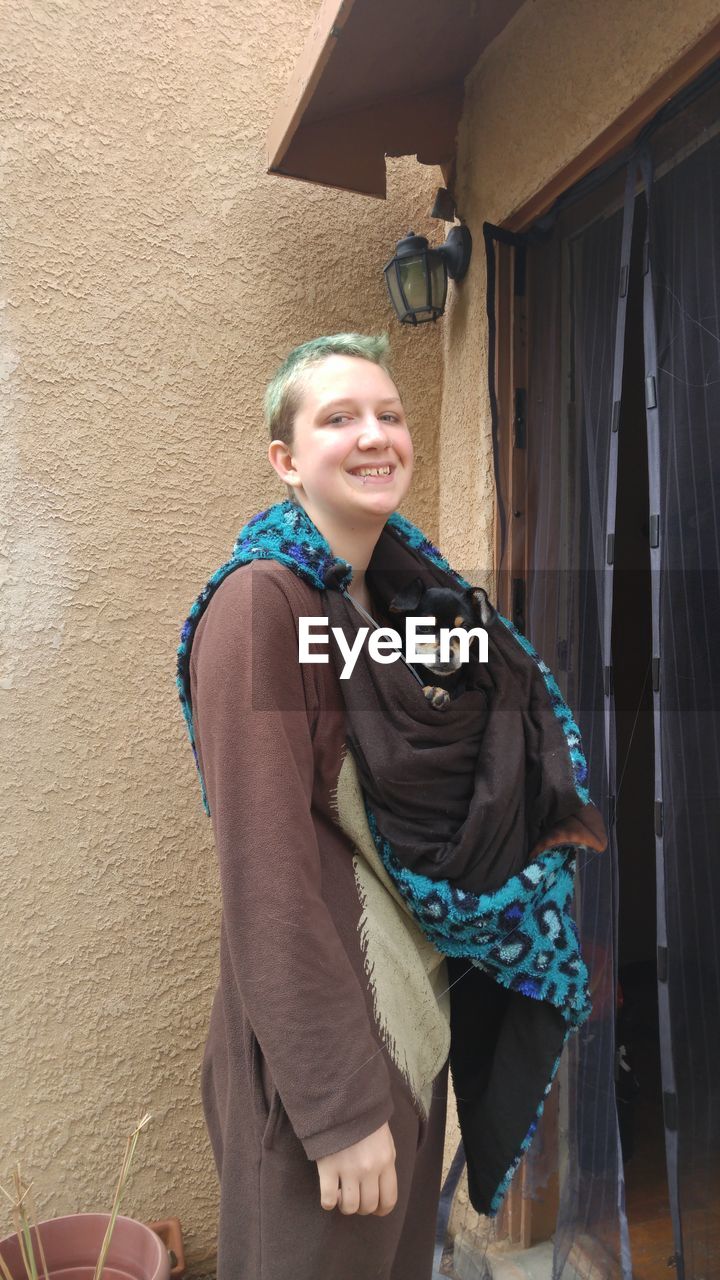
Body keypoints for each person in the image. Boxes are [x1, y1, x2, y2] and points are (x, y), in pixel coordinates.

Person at [186, 334, 452, 1280]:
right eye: (339, 419)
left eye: (390, 414)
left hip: (411, 1036)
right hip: (328, 1075)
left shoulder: (392, 608)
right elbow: (267, 880)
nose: (375, 435)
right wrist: (339, 1112)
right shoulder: (263, 607)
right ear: (286, 461)